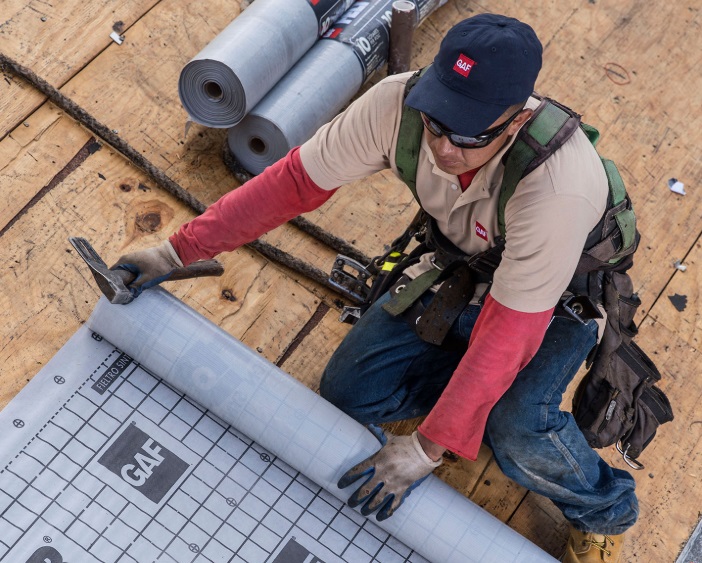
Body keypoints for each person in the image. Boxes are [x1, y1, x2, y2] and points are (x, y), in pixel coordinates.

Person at [113, 13, 638, 562]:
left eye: (466, 134)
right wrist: (177, 251)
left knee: (515, 429)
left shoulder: (559, 187)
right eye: (436, 121)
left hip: (553, 308)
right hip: (463, 272)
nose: (442, 148)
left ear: (512, 124)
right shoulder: (397, 104)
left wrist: (429, 449)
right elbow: (293, 184)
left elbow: (508, 334)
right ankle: (470, 400)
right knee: (349, 392)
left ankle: (605, 511)